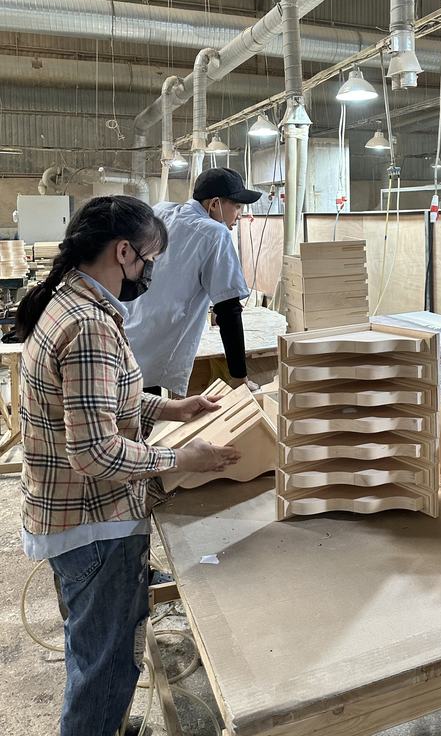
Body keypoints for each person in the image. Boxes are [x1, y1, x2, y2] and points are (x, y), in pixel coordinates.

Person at [17, 196, 239, 736]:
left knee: (94, 650)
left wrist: (170, 409)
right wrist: (180, 457)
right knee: (108, 665)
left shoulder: (70, 303)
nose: (149, 272)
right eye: (148, 260)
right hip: (93, 525)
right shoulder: (89, 326)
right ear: (123, 252)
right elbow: (94, 452)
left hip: (70, 516)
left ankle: (103, 722)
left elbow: (99, 400)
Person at [125, 168, 262, 396]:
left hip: (129, 334)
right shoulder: (215, 233)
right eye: (237, 206)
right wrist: (240, 377)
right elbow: (229, 310)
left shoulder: (161, 211)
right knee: (146, 408)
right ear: (215, 204)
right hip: (158, 341)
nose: (239, 215)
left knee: (141, 402)